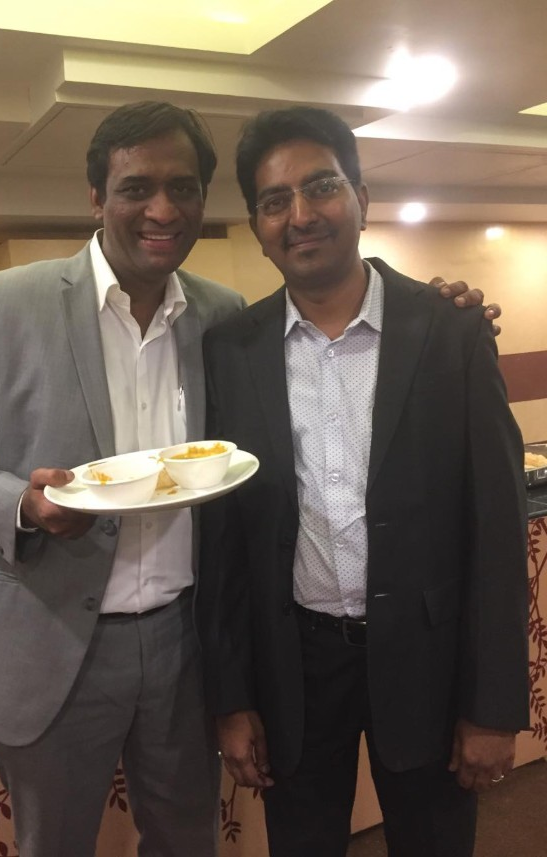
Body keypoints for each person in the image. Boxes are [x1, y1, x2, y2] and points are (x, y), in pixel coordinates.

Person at [0, 99, 497, 857]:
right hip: (52, 640)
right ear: (96, 197)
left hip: (184, 649)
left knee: (188, 843)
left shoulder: (223, 322)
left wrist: (447, 306)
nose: (162, 210)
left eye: (183, 188)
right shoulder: (4, 303)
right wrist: (21, 502)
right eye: (136, 188)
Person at [196, 106, 529, 857]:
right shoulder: (232, 350)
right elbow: (224, 540)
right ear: (257, 226)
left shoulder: (449, 330)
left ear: (362, 199)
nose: (300, 215)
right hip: (295, 666)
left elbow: (497, 529)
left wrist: (493, 704)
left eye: (321, 187)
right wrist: (232, 698)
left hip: (428, 657)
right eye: (275, 201)